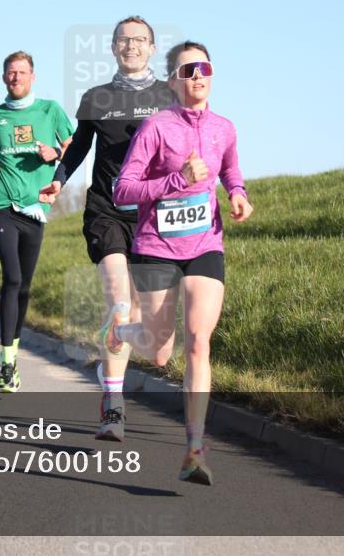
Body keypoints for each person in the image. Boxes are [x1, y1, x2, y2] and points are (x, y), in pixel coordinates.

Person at [110, 40, 253, 484]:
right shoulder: (155, 128)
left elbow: (230, 170)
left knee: (197, 343)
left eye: (203, 68)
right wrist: (176, 179)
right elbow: (123, 190)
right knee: (159, 353)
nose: (197, 76)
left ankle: (194, 448)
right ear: (172, 81)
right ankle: (121, 331)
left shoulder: (225, 128)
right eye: (188, 70)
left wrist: (237, 194)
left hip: (206, 244)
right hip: (156, 246)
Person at [38, 16, 173, 440]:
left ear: (153, 48)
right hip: (107, 210)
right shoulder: (97, 98)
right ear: (113, 48)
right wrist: (59, 179)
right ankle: (113, 405)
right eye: (123, 40)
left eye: (140, 39)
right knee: (118, 300)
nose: (131, 45)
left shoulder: (170, 96)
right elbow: (80, 146)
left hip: (154, 216)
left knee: (147, 324)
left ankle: (110, 357)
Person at [0, 50, 74, 393]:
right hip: (0, 203)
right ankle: (6, 362)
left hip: (35, 207)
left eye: (22, 72)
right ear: (4, 77)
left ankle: (12, 356)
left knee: (25, 285)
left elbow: (72, 147)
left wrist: (55, 153)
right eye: (11, 72)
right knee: (12, 278)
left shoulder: (50, 110)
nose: (16, 77)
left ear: (33, 77)